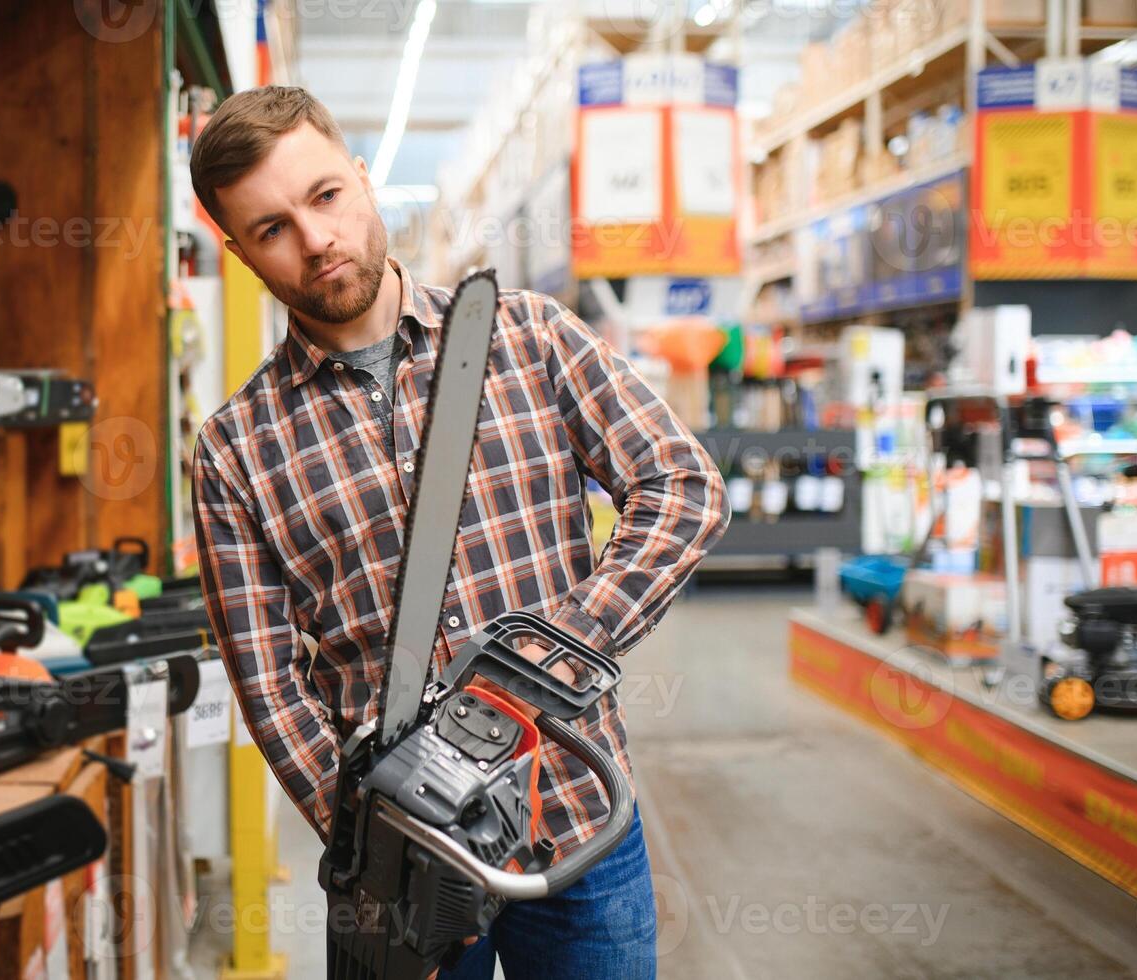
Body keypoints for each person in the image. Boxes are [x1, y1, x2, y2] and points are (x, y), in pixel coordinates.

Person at [188, 85, 730, 980]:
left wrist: (544, 664)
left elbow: (680, 487)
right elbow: (270, 690)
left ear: (362, 179)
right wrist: (376, 845)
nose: (316, 239)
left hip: (576, 821)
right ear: (239, 250)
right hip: (404, 873)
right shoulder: (233, 451)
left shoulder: (527, 337)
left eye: (324, 197)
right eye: (271, 227)